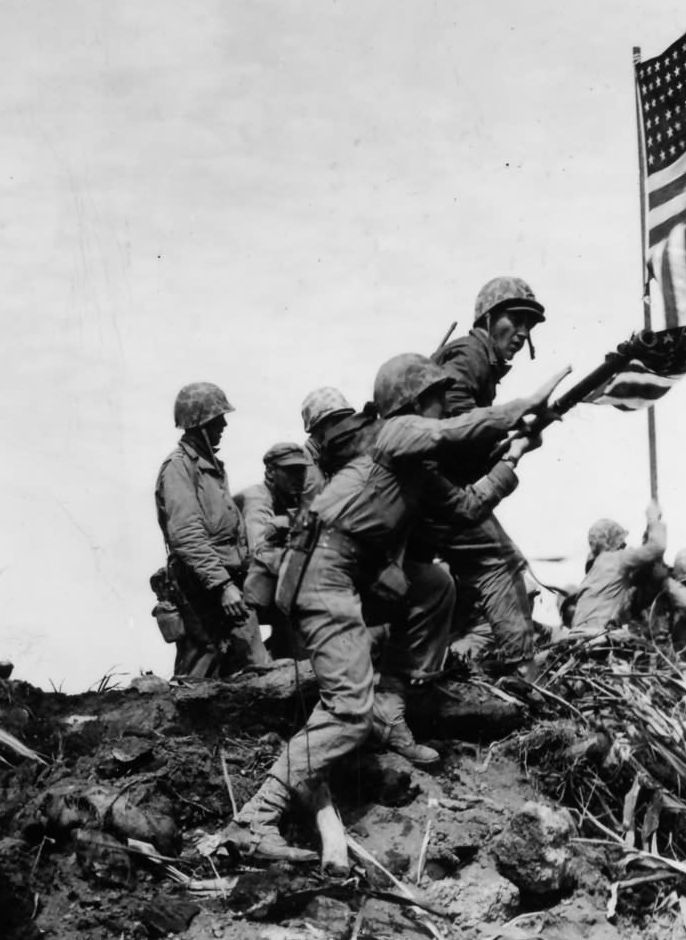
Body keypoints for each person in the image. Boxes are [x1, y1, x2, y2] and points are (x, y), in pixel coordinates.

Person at [222, 353, 567, 862]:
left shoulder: (416, 470)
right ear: (409, 405)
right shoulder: (393, 434)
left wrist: (512, 455)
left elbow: (468, 507)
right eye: (434, 399)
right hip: (324, 573)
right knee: (346, 713)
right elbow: (454, 432)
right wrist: (522, 407)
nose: (442, 408)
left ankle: (391, 702)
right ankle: (255, 818)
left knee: (433, 585)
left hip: (355, 572)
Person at [416, 277, 549, 668]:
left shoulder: (477, 360)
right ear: (489, 318)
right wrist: (507, 434)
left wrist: (506, 441)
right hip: (438, 496)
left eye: (531, 325)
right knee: (502, 563)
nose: (523, 333)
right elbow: (454, 421)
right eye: (516, 319)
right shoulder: (471, 355)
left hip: (430, 492)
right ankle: (521, 670)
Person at [154, 381, 272, 678]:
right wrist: (222, 586)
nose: (224, 425)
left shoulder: (210, 467)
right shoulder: (179, 468)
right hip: (202, 589)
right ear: (200, 425)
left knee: (254, 665)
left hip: (228, 583)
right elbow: (187, 535)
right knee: (200, 672)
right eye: (217, 420)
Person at [236, 442, 311, 658]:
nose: (297, 477)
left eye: (301, 470)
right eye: (289, 471)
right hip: (234, 586)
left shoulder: (293, 499)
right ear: (270, 472)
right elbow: (259, 550)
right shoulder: (257, 499)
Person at [567, 501, 668, 631]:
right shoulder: (617, 559)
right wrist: (653, 518)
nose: (624, 545)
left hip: (579, 634)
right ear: (614, 542)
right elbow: (657, 547)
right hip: (597, 634)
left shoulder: (596, 568)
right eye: (621, 542)